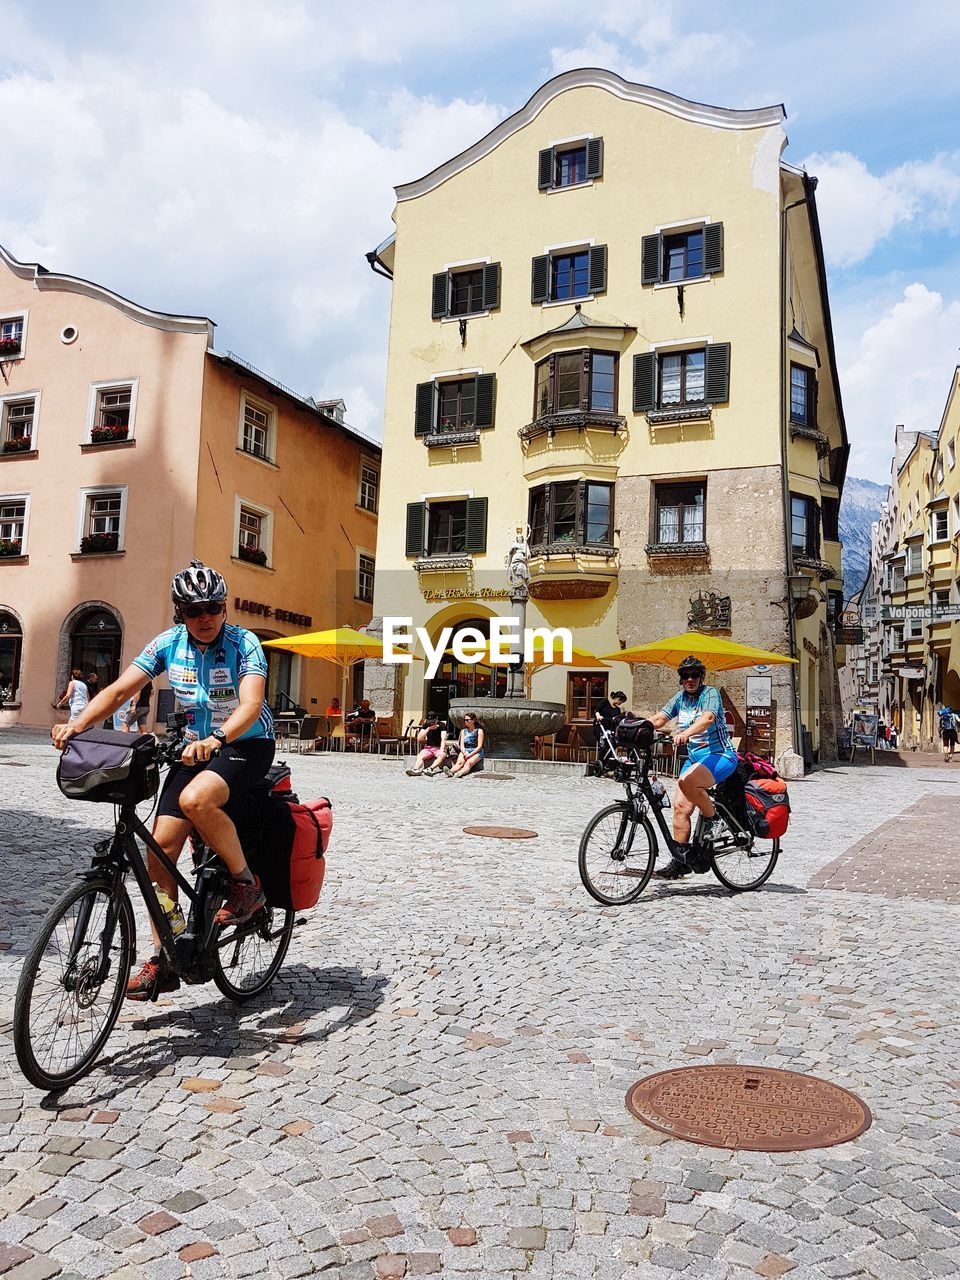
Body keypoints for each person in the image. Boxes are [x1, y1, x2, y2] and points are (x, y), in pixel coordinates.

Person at [51, 558, 275, 1000]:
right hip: (194, 745)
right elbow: (119, 690)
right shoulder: (169, 644)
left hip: (246, 743)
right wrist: (78, 725)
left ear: (224, 607)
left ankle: (248, 885)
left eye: (212, 607)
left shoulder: (244, 642)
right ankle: (164, 958)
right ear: (180, 613)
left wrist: (217, 737)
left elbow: (251, 704)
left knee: (196, 801)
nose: (205, 617)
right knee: (160, 850)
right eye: (194, 611)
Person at [647, 656, 738, 879]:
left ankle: (714, 817)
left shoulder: (710, 694)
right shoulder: (680, 698)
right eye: (685, 676)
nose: (690, 679)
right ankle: (681, 861)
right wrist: (636, 725)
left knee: (688, 782)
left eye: (694, 675)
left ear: (701, 677)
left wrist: (686, 733)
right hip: (695, 759)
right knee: (680, 808)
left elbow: (707, 718)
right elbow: (660, 718)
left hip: (720, 755)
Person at [593, 690, 627, 768]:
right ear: (617, 698)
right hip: (600, 726)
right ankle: (601, 763)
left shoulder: (617, 709)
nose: (620, 703)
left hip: (609, 728)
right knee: (603, 744)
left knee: (611, 744)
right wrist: (598, 716)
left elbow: (617, 719)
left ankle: (608, 763)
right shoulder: (605, 702)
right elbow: (597, 709)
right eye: (620, 701)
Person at [446, 711, 485, 777]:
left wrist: (470, 755)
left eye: (467, 720)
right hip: (465, 750)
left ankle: (460, 773)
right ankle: (450, 771)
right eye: (464, 720)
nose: (465, 722)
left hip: (476, 751)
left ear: (473, 720)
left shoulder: (479, 731)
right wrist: (464, 753)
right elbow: (461, 745)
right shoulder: (463, 731)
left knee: (468, 763)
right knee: (459, 763)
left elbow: (479, 746)